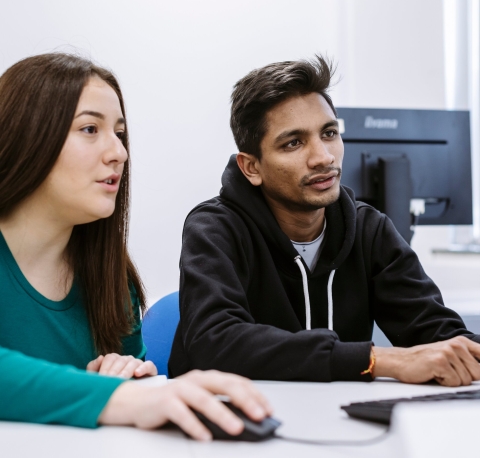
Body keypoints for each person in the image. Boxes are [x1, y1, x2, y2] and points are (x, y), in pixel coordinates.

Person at [0, 53, 271, 441]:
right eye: (90, 129)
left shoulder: (108, 273)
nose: (119, 153)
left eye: (120, 133)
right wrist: (117, 397)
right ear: (25, 134)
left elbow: (132, 391)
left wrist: (129, 372)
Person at [169, 55, 480, 387]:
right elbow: (215, 343)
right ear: (252, 168)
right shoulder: (216, 229)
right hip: (234, 426)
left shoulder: (369, 230)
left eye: (329, 133)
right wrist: (374, 360)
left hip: (341, 425)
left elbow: (439, 334)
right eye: (293, 143)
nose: (324, 157)